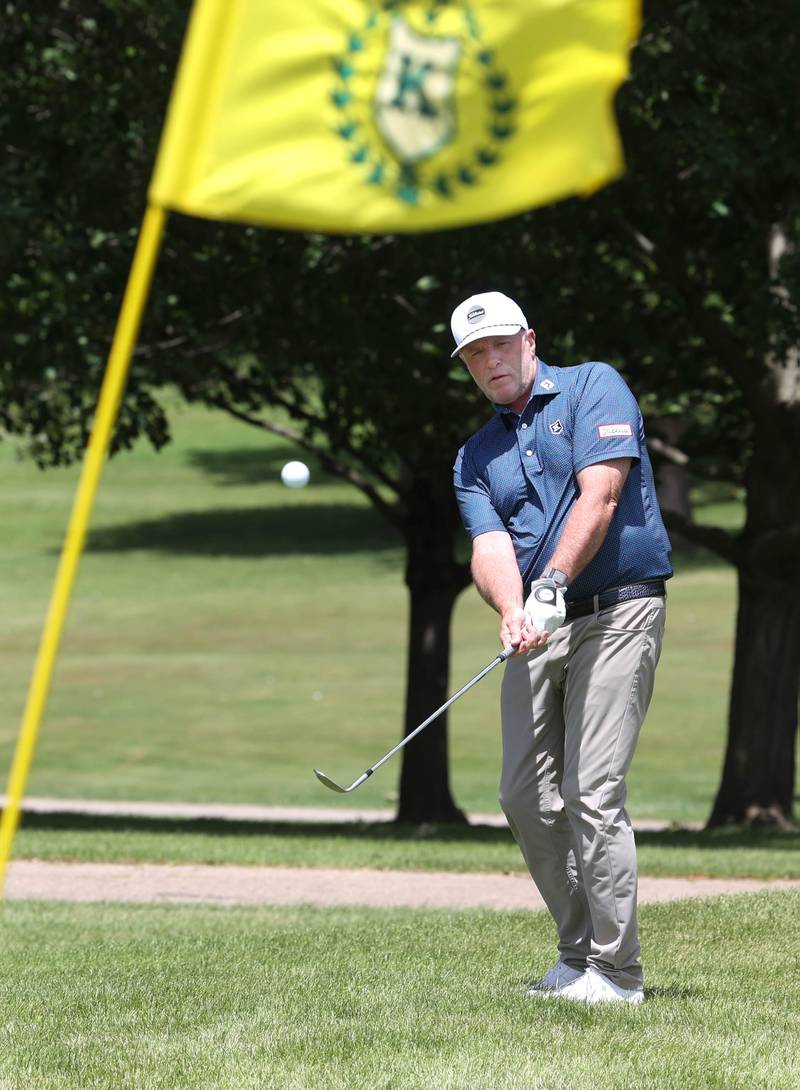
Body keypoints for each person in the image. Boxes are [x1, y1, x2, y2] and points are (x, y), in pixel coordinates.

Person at [451, 291, 672, 1005]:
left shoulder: (591, 387)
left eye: (499, 345)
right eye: (475, 355)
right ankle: (578, 956)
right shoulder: (474, 456)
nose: (491, 362)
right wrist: (513, 607)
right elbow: (488, 547)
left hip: (618, 609)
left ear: (529, 339)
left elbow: (600, 495)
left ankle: (618, 972)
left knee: (591, 790)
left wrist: (549, 581)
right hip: (540, 622)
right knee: (522, 794)